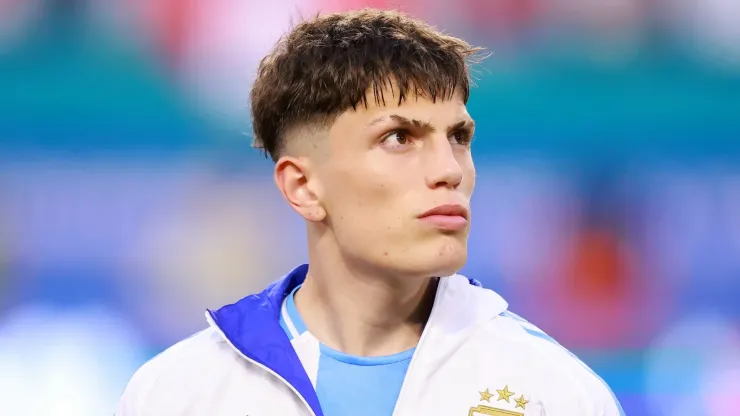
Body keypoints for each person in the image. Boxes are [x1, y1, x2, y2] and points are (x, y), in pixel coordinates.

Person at [116, 8, 624, 416]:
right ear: (303, 187)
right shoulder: (178, 395)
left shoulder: (557, 394)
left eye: (459, 137)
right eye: (399, 138)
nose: (449, 170)